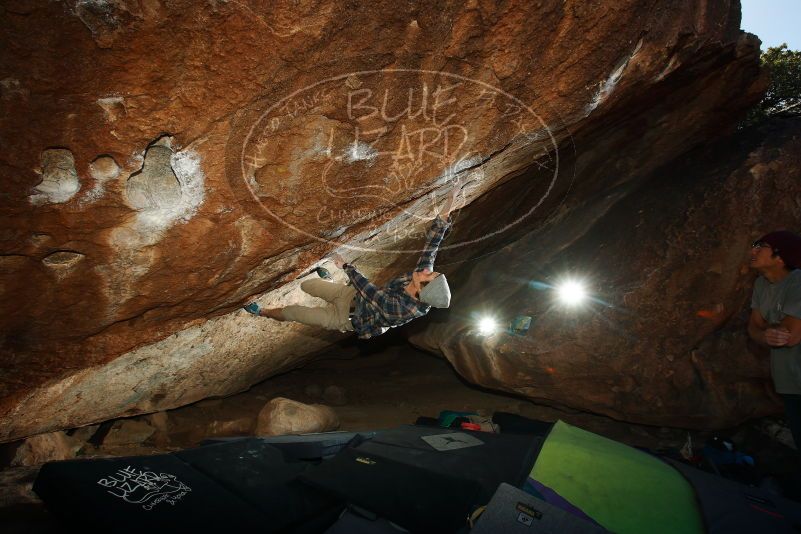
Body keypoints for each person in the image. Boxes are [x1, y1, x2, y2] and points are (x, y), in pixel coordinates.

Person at [244, 189, 459, 339]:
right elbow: (432, 246)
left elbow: (372, 292)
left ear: (420, 292)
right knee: (305, 286)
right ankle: (333, 279)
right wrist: (450, 200)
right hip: (352, 297)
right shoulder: (422, 281)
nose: (424, 271)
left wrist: (346, 266)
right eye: (431, 273)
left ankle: (261, 312)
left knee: (294, 313)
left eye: (427, 277)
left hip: (346, 319)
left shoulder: (402, 310)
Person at [748, 230, 801, 452]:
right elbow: (753, 327)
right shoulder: (761, 284)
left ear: (780, 257)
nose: (753, 250)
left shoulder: (798, 282)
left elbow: (790, 336)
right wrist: (766, 333)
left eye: (761, 246)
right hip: (788, 380)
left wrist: (767, 332)